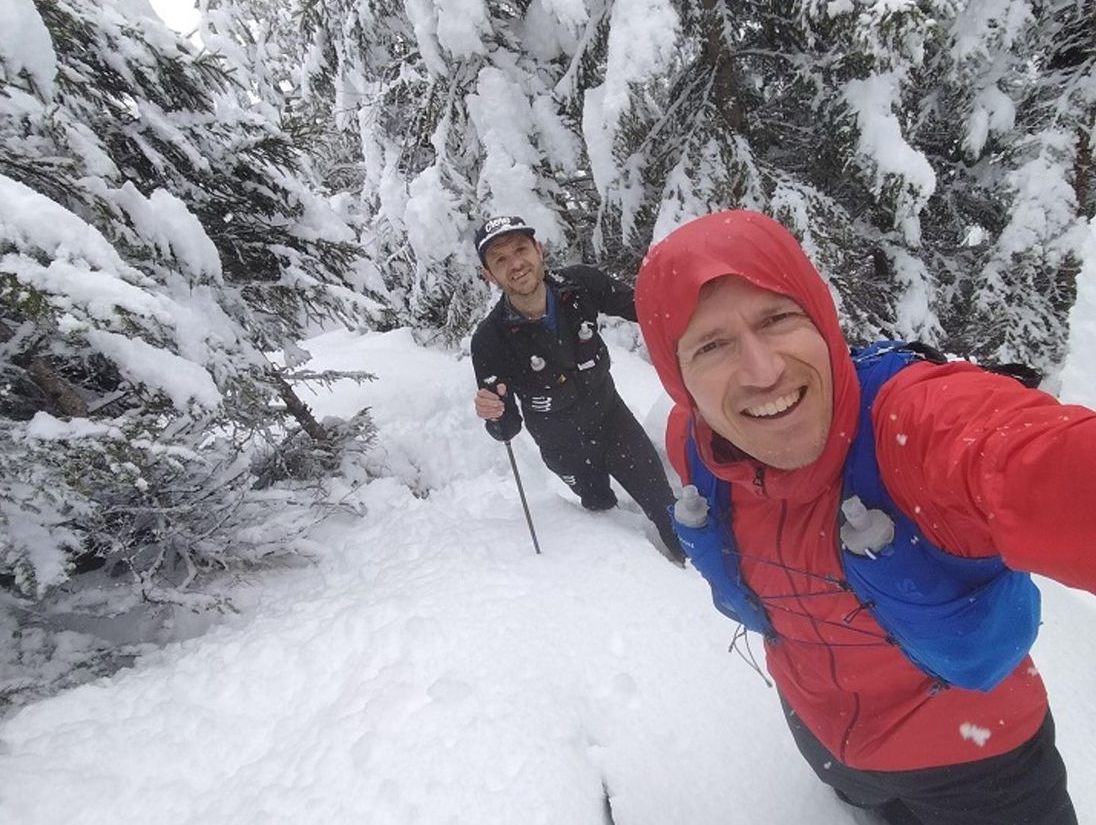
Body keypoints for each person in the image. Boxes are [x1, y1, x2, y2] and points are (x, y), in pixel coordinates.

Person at [635, 209, 1096, 824]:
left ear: (822, 322)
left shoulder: (912, 426)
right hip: (826, 743)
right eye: (712, 345)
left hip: (980, 762)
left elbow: (1040, 462)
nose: (762, 370)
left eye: (778, 319)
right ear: (679, 378)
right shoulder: (696, 445)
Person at [469, 214, 685, 564]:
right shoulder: (490, 339)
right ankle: (635, 568)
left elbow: (644, 307)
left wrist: (690, 305)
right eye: (500, 260)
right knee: (599, 507)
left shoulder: (581, 284)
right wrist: (493, 413)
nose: (516, 264)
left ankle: (695, 575)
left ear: (539, 250)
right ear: (488, 275)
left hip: (612, 418)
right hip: (561, 443)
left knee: (663, 504)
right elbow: (506, 426)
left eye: (521, 249)